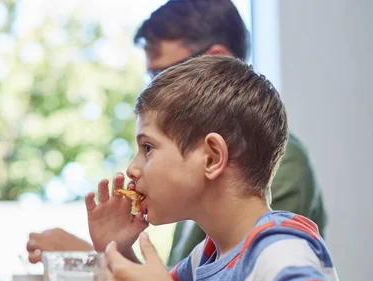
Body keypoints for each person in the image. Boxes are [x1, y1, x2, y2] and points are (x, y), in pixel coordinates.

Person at [86, 55, 357, 281]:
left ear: (212, 158)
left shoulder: (277, 245)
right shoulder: (208, 257)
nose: (132, 168)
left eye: (148, 148)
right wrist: (118, 250)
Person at [26, 0, 326, 266]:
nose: (155, 89)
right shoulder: (203, 251)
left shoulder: (280, 173)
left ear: (218, 58)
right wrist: (112, 251)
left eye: (165, 74)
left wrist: (87, 257)